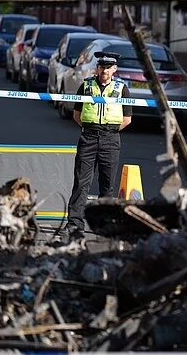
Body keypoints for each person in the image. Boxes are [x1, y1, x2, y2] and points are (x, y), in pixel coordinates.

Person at [58, 51, 132, 239]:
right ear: (97, 68)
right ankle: (75, 225)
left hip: (111, 138)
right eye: (101, 67)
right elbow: (77, 114)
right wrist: (92, 130)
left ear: (114, 69)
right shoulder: (86, 86)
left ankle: (104, 226)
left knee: (107, 186)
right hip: (88, 137)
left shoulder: (122, 89)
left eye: (108, 67)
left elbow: (127, 119)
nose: (104, 70)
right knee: (81, 183)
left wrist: (109, 132)